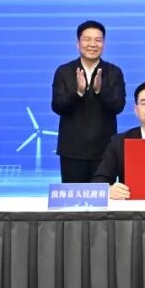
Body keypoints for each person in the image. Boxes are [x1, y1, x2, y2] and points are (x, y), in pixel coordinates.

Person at [50, 20, 126, 182]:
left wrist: (100, 91)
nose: (92, 44)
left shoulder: (114, 72)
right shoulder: (64, 71)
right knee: (74, 197)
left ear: (104, 44)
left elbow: (118, 106)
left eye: (98, 40)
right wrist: (78, 92)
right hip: (72, 152)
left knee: (104, 196)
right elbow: (57, 106)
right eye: (87, 39)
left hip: (105, 151)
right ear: (78, 43)